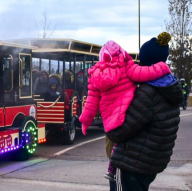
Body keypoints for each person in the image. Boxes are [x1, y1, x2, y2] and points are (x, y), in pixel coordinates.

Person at [79, 36, 172, 183]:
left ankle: (112, 168)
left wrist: (85, 121)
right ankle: (113, 168)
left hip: (109, 119)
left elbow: (91, 103)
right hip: (126, 112)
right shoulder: (127, 67)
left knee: (113, 145)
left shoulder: (95, 76)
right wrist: (163, 67)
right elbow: (146, 73)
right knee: (119, 144)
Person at [106, 33, 184, 191]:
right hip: (150, 162)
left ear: (145, 61)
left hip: (132, 164)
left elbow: (120, 132)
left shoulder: (148, 92)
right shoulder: (168, 86)